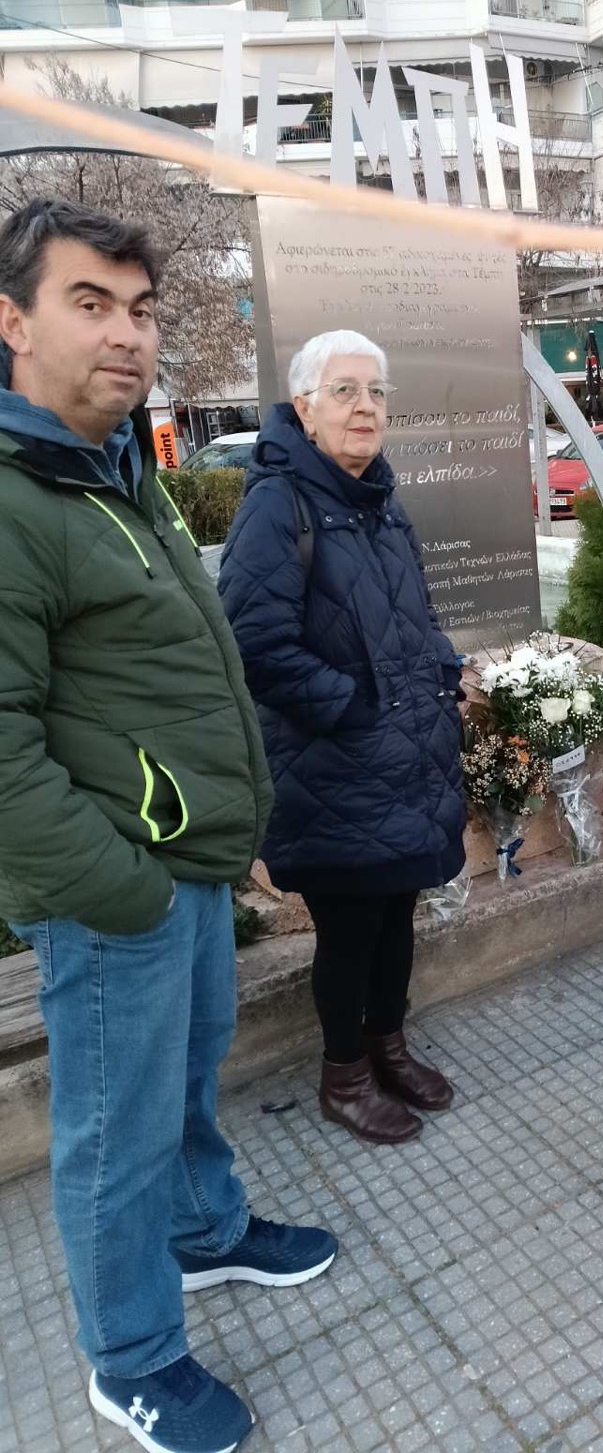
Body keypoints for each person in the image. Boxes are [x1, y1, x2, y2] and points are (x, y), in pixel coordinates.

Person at [0, 199, 337, 1453]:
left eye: (141, 311)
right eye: (89, 304)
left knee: (184, 1081)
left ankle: (203, 1233)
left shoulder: (109, 468)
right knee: (116, 1134)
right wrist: (123, 886)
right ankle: (131, 1358)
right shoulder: (15, 498)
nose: (127, 335)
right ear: (12, 321)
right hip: (113, 890)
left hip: (182, 864)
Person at [220, 330, 465, 1145]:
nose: (366, 407)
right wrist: (356, 710)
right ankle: (344, 1074)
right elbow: (254, 646)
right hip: (333, 766)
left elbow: (414, 616)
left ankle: (388, 1046)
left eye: (376, 391)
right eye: (345, 391)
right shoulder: (276, 506)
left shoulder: (380, 501)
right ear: (304, 409)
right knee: (351, 932)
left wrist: (443, 672)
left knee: (397, 914)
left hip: (404, 758)